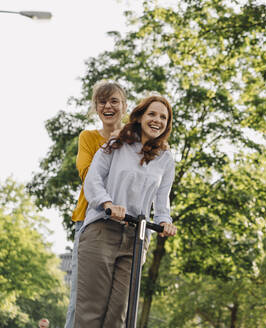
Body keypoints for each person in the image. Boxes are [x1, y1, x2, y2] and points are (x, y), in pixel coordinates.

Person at [74, 95, 177, 328]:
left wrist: (164, 221)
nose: (157, 120)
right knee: (91, 312)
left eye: (163, 117)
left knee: (119, 316)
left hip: (136, 239)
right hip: (102, 229)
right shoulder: (116, 144)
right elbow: (93, 180)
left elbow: (162, 199)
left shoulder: (166, 158)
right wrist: (108, 204)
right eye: (152, 114)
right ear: (140, 116)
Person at [64, 81, 127, 328]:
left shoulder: (135, 142)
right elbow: (88, 174)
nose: (108, 106)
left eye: (114, 101)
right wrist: (112, 144)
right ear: (96, 107)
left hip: (125, 226)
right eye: (102, 101)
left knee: (116, 306)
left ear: (124, 106)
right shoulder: (88, 138)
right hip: (91, 220)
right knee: (81, 302)